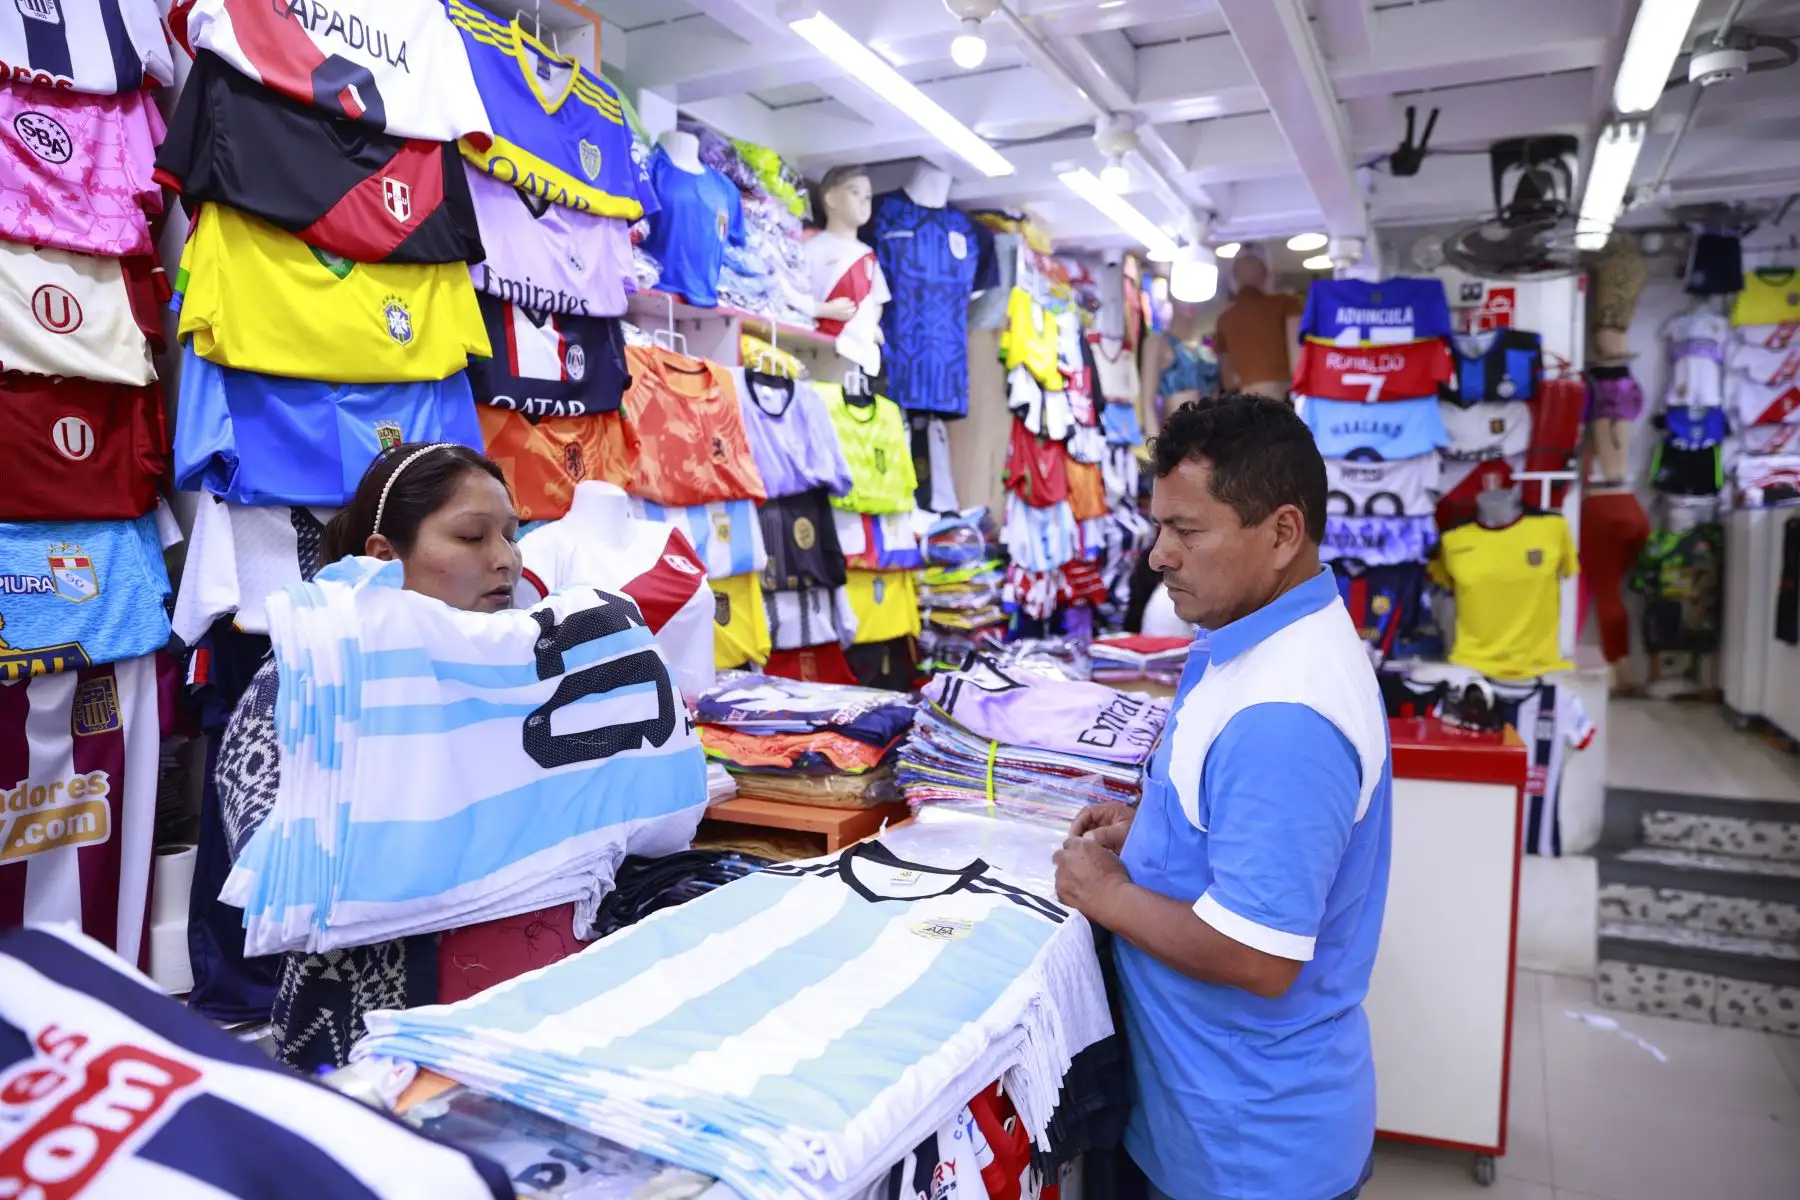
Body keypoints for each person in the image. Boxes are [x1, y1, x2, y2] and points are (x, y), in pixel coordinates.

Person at [1053, 394, 1392, 1200]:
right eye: (1159, 527)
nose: (1158, 556)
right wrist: (1156, 831)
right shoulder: (1248, 637)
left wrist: (1106, 894)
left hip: (1245, 1154)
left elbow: (1258, 956)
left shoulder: (1287, 713)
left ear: (1282, 533)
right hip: (1200, 1117)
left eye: (1187, 530)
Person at [216, 442, 523, 1071]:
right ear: (384, 556)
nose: (505, 560)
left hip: (527, 1018)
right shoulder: (306, 685)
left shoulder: (525, 665)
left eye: (511, 536)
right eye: (472, 536)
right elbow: (278, 867)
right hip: (372, 1037)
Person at [1213, 245, 1304, 400]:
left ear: (1234, 274)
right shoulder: (1287, 304)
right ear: (1266, 273)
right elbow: (1298, 360)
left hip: (1246, 402)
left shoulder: (1224, 319)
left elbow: (1229, 381)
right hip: (1279, 397)